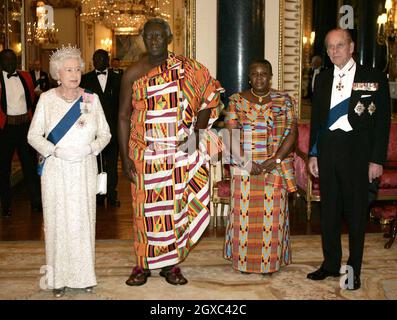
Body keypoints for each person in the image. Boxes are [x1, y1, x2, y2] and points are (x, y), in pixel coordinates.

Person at [118, 18, 224, 286]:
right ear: (143, 39)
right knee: (144, 210)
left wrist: (195, 135)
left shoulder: (187, 69)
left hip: (177, 155)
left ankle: (170, 265)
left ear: (168, 39)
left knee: (173, 209)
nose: (154, 40)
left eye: (158, 36)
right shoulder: (133, 72)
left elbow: (210, 99)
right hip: (144, 154)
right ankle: (142, 264)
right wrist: (124, 157)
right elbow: (122, 117)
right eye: (149, 36)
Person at [307, 29, 391, 290]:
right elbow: (317, 121)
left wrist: (376, 160)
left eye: (339, 46)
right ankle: (331, 264)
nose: (334, 51)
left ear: (351, 46)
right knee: (329, 212)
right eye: (330, 47)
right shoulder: (322, 79)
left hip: (358, 153)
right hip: (329, 149)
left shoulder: (373, 77)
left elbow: (382, 123)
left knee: (356, 215)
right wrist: (314, 153)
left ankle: (353, 271)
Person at [27, 45, 111, 297]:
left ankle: (84, 276)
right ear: (57, 73)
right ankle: (57, 279)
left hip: (83, 168)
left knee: (83, 222)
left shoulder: (91, 99)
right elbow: (33, 135)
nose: (74, 74)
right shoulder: (46, 99)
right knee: (57, 223)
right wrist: (54, 151)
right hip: (56, 171)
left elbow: (105, 134)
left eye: (77, 69)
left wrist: (90, 149)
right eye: (68, 70)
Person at [224, 59, 297, 274]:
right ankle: (244, 262)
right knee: (243, 217)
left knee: (272, 217)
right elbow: (230, 133)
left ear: (271, 75)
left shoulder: (284, 100)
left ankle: (269, 262)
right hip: (244, 166)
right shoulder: (235, 101)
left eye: (263, 73)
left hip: (275, 165)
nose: (259, 77)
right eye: (254, 73)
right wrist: (247, 162)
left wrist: (274, 160)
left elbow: (292, 133)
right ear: (248, 76)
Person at [0, 49, 42, 217]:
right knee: (3, 168)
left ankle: (36, 203)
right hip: (5, 129)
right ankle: (6, 206)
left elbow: (31, 98)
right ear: (1, 62)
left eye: (12, 60)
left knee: (30, 166)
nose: (10, 63)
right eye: (6, 60)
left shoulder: (26, 76)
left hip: (25, 127)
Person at [81, 49, 122, 207]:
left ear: (108, 60)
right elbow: (85, 108)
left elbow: (121, 105)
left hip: (112, 129)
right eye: (95, 58)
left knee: (112, 164)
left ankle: (112, 195)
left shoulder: (117, 78)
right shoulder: (86, 79)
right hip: (94, 130)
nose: (98, 61)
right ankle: (98, 195)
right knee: (96, 164)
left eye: (101, 58)